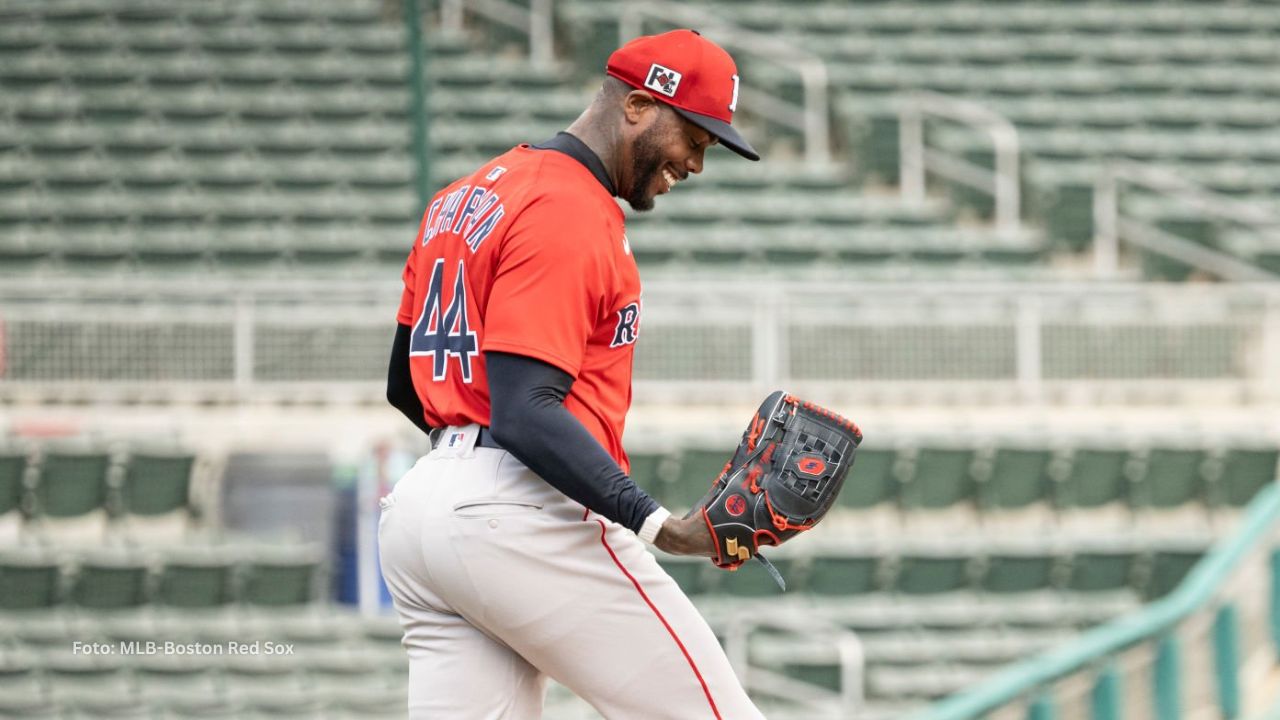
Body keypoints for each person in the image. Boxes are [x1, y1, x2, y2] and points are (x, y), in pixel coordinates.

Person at [379, 29, 765, 719]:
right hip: (518, 506)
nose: (698, 163)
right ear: (641, 105)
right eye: (697, 139)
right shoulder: (569, 204)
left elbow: (405, 387)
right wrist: (657, 524)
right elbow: (526, 409)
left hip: (423, 512)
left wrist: (464, 472)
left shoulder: (464, 196)